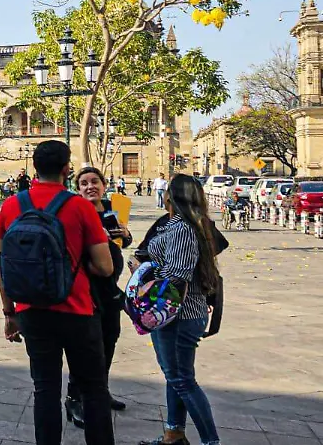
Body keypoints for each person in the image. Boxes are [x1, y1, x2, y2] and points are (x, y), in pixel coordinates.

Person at [0, 141, 115, 445]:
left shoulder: (11, 206)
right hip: (77, 311)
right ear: (66, 169)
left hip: (31, 312)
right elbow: (105, 268)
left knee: (45, 389)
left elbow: (2, 265)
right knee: (93, 389)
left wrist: (10, 314)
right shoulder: (80, 207)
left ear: (34, 168)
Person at [134, 174, 224, 445]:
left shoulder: (184, 228)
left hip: (178, 314)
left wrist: (144, 274)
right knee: (175, 377)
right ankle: (174, 434)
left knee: (182, 379)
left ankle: (211, 441)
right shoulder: (178, 225)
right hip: (171, 315)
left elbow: (177, 274)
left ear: (172, 197)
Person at [65, 167, 133, 429]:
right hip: (87, 289)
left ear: (104, 185)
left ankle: (99, 391)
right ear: (77, 188)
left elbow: (122, 243)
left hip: (110, 290)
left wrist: (125, 236)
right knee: (86, 346)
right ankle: (75, 397)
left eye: (95, 181)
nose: (90, 186)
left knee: (109, 339)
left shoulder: (111, 208)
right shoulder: (75, 210)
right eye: (83, 183)